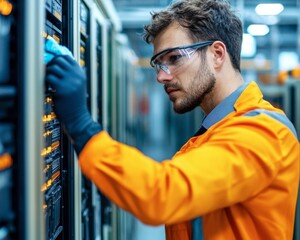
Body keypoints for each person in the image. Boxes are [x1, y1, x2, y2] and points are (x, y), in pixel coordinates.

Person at [45, 0, 299, 239]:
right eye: (159, 63)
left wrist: (80, 124)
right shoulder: (217, 130)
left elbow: (162, 195)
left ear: (217, 54)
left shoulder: (262, 132)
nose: (161, 77)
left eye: (174, 58)